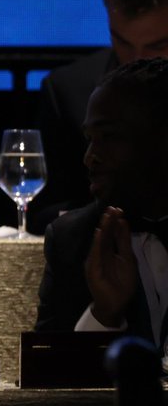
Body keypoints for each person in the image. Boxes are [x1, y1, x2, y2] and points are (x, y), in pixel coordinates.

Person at [37, 0, 168, 232]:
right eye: (121, 41)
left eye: (158, 46)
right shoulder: (67, 92)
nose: (136, 60)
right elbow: (42, 212)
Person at [35, 57, 168, 352]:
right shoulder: (72, 240)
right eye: (89, 139)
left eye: (108, 137)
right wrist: (103, 314)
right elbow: (48, 383)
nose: (89, 158)